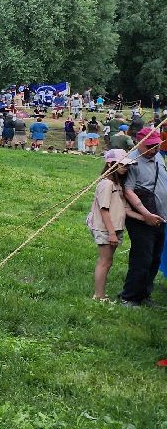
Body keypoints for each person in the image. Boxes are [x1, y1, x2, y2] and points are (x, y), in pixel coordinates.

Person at [119, 129, 167, 307]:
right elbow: (128, 190)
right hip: (142, 217)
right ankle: (130, 297)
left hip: (161, 216)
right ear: (139, 143)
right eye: (150, 146)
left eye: (157, 145)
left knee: (155, 258)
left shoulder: (158, 156)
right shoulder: (132, 161)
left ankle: (144, 294)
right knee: (142, 258)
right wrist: (145, 215)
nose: (155, 149)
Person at [88, 149, 137, 301]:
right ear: (110, 164)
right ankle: (98, 295)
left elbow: (125, 209)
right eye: (122, 165)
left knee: (108, 261)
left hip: (114, 229)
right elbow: (104, 210)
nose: (126, 168)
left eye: (127, 165)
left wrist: (145, 218)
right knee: (104, 262)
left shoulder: (117, 184)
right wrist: (111, 233)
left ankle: (101, 294)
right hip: (105, 229)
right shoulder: (106, 184)